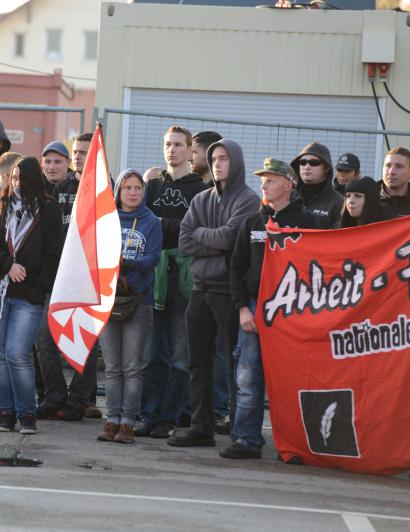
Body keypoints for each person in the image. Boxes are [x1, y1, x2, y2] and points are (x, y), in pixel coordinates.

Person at [223, 158, 322, 459]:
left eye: (271, 179)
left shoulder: (308, 222)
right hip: (255, 306)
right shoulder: (253, 222)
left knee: (292, 380)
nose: (263, 184)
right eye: (263, 179)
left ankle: (294, 446)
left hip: (293, 308)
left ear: (289, 184)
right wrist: (242, 308)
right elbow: (236, 268)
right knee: (248, 378)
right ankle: (247, 439)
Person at [170, 138, 259, 448]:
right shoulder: (201, 199)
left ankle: (240, 428)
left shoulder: (249, 200)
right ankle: (201, 426)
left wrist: (203, 236)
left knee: (235, 364)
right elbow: (185, 241)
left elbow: (231, 238)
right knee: (198, 362)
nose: (218, 163)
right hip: (199, 290)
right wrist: (214, 242)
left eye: (224, 158)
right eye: (214, 158)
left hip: (228, 294)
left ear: (236, 161)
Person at [0, 156, 63, 434]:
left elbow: (53, 255)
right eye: (13, 179)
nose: (16, 185)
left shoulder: (48, 210)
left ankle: (27, 414)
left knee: (18, 354)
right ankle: (5, 414)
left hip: (28, 296)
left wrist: (39, 290)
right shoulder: (0, 205)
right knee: (0, 355)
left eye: (22, 180)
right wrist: (7, 265)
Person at [135, 126, 209, 439]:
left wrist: (161, 224)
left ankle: (170, 417)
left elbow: (192, 230)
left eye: (178, 145)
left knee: (180, 356)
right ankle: (148, 416)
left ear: (190, 151)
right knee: (152, 354)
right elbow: (141, 222)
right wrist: (168, 226)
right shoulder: (152, 186)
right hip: (152, 273)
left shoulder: (200, 190)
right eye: (167, 144)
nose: (172, 150)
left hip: (184, 276)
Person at [35, 138, 99, 422]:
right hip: (56, 277)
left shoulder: (105, 188)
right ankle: (55, 396)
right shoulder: (60, 189)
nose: (78, 157)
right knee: (44, 339)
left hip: (89, 279)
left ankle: (78, 401)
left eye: (84, 153)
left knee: (86, 344)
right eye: (75, 153)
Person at [97, 169, 162, 445]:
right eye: (127, 188)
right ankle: (111, 419)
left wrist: (130, 264)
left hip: (138, 300)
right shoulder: (106, 219)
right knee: (112, 367)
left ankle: (128, 424)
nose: (133, 192)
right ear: (119, 191)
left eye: (138, 188)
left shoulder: (151, 222)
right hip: (107, 299)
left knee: (132, 366)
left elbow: (153, 258)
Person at [289, 142, 343, 228]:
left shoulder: (338, 203)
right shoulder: (286, 196)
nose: (307, 167)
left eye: (314, 163)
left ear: (326, 168)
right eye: (303, 162)